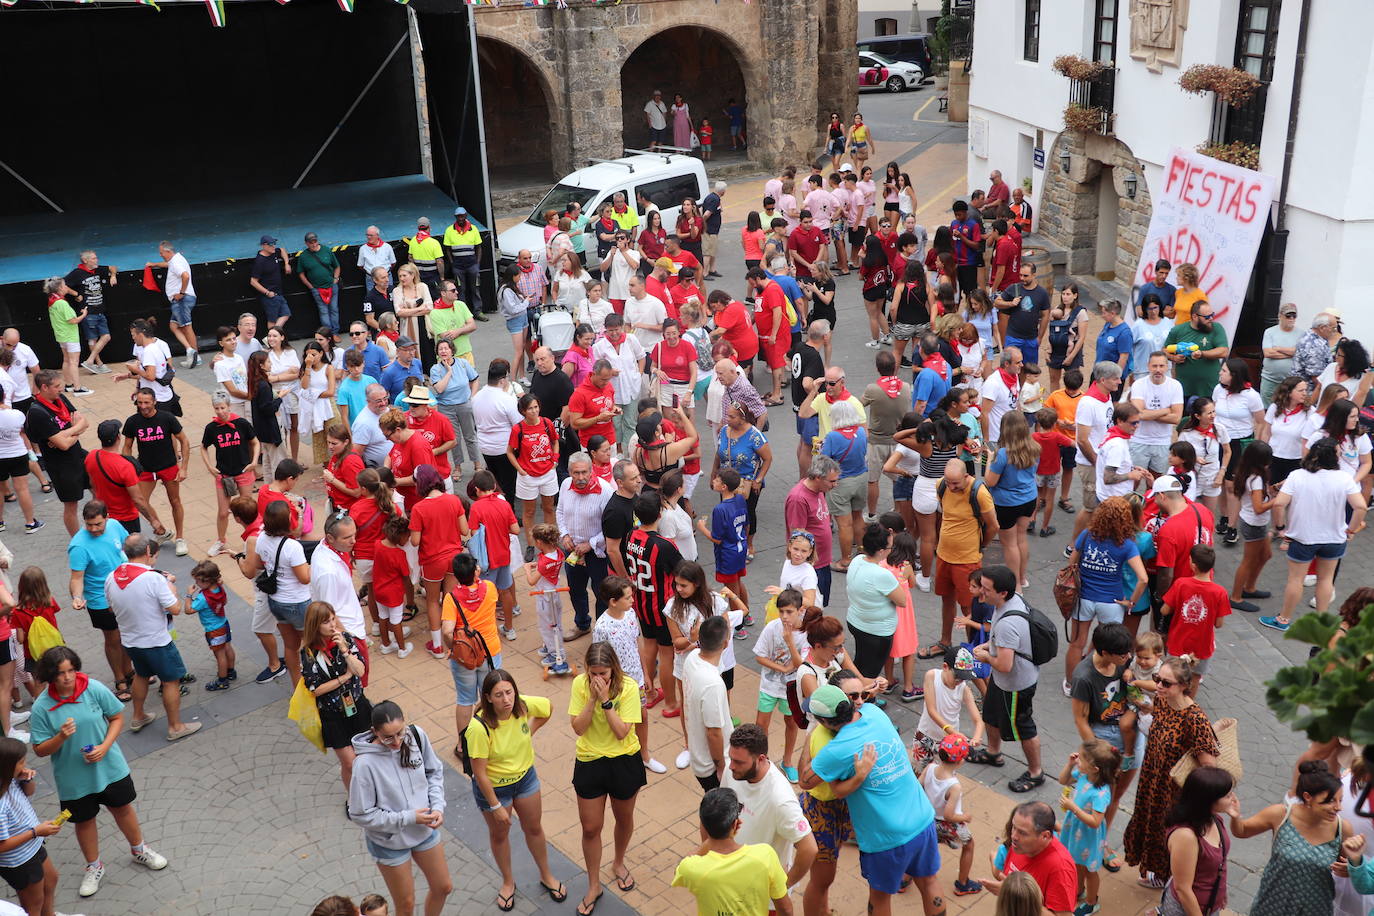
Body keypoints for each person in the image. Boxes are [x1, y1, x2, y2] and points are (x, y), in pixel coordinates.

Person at [30, 645, 167, 901]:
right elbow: (39, 749)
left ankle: (139, 850)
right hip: (73, 777)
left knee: (123, 808)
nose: (68, 677)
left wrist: (105, 747)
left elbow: (116, 717)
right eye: (61, 673)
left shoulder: (92, 688)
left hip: (109, 767)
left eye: (71, 670)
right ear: (50, 675)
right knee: (83, 821)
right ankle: (94, 866)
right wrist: (60, 736)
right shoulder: (41, 707)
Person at [807, 684, 945, 916]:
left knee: (879, 898)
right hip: (922, 818)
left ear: (824, 722)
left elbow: (806, 780)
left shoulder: (837, 749)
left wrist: (812, 734)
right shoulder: (876, 714)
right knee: (929, 882)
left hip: (886, 837)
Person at [461, 669, 565, 912]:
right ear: (488, 697)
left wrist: (530, 732)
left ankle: (546, 875)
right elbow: (480, 773)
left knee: (534, 828)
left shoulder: (521, 706)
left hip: (526, 779)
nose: (506, 700)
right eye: (499, 695)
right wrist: (495, 806)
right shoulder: (478, 727)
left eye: (509, 692)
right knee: (499, 835)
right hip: (496, 789)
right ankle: (508, 882)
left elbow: (548, 708)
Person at [1121, 656, 1220, 888]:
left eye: (1166, 683)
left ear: (1184, 686)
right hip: (1152, 781)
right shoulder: (1163, 701)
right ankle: (1160, 876)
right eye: (1157, 679)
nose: (1158, 686)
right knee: (1152, 829)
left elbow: (1210, 768)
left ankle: (1171, 883)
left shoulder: (1195, 719)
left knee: (1170, 837)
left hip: (1175, 793)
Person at [348, 701, 452, 916]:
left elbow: (434, 772)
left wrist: (438, 807)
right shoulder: (365, 764)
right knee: (405, 904)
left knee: (444, 887)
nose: (396, 742)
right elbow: (360, 814)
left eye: (400, 733)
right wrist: (408, 818)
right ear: (374, 732)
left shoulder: (416, 736)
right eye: (388, 737)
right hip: (389, 841)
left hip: (424, 830)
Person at [569, 641, 645, 915]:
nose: (598, 679)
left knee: (623, 818)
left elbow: (622, 732)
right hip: (590, 760)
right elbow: (578, 728)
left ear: (613, 669)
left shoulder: (628, 688)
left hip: (624, 761)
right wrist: (591, 698)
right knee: (590, 827)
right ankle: (593, 884)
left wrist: (605, 700)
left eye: (604, 673)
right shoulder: (580, 684)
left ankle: (618, 861)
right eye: (594, 673)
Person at [104, 533, 202, 741]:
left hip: (130, 640)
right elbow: (175, 609)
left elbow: (111, 609)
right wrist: (172, 588)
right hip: (157, 641)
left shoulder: (111, 577)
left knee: (141, 674)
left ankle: (138, 716)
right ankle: (175, 726)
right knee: (171, 681)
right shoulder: (153, 579)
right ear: (148, 551)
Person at [1263, 438, 1368, 631]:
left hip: (1303, 537)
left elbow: (1279, 504)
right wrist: (1350, 530)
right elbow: (1361, 507)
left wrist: (1281, 527)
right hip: (1334, 539)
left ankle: (1283, 619)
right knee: (1325, 580)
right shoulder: (1344, 478)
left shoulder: (1297, 476)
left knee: (1295, 579)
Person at [1233, 760, 1355, 916]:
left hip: (1316, 908)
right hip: (1273, 904)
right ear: (1307, 797)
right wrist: (1235, 816)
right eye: (1330, 801)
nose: (1338, 807)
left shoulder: (1342, 828)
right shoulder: (1281, 815)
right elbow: (1242, 831)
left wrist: (1351, 868)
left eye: (1340, 800)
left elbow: (1346, 868)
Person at [968, 565, 1044, 792]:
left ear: (1003, 593)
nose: (981, 591)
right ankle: (993, 753)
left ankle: (1036, 773)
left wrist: (985, 656)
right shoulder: (1009, 601)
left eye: (986, 589)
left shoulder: (1008, 624)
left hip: (1016, 683)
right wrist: (989, 645)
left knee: (1023, 727)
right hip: (1002, 680)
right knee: (990, 714)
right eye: (981, 585)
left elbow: (1004, 664)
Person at [720, 722, 817, 886]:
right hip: (732, 875)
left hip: (762, 890)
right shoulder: (733, 771)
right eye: (731, 758)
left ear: (761, 759)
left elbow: (809, 849)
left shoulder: (781, 799)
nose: (731, 766)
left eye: (739, 762)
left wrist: (783, 886)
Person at [673, 785, 792, 916]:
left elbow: (679, 869)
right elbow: (785, 909)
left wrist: (707, 841)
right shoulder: (765, 856)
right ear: (735, 824)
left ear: (703, 825)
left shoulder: (693, 869)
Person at [66, 502, 136, 698]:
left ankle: (130, 670)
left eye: (98, 524)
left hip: (125, 590)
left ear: (107, 517)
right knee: (113, 639)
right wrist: (77, 597)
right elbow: (77, 577)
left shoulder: (114, 525)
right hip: (100, 598)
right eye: (89, 525)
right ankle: (120, 679)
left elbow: (127, 547)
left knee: (128, 634)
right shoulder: (79, 546)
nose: (94, 529)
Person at [300, 601, 371, 792]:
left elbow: (360, 670)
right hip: (333, 715)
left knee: (367, 756)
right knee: (350, 763)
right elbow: (315, 689)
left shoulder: (345, 639)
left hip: (357, 706)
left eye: (333, 619)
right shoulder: (308, 653)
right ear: (315, 625)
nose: (332, 625)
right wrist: (344, 678)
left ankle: (372, 791)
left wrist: (345, 651)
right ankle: (354, 800)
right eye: (326, 622)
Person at [929, 459, 996, 658]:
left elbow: (994, 525)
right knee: (946, 599)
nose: (951, 487)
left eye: (955, 483)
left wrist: (981, 545)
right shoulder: (941, 485)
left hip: (967, 559)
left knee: (969, 607)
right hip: (943, 556)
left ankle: (973, 650)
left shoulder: (980, 493)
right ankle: (945, 641)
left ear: (966, 476)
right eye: (948, 483)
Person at [0, 735, 67, 915]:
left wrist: (26, 779)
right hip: (18, 860)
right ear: (7, 767)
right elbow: (1, 846)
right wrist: (35, 832)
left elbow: (29, 793)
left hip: (32, 846)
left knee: (51, 879)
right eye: (21, 762)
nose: (25, 765)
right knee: (33, 903)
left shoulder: (10, 781)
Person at [122, 388, 190, 557]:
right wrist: (128, 467)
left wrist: (183, 467)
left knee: (175, 501)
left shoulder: (167, 418)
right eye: (139, 403)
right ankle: (162, 531)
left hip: (168, 467)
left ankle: (180, 538)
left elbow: (184, 440)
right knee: (140, 502)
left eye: (146, 402)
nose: (143, 406)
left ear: (154, 402)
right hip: (145, 468)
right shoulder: (132, 421)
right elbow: (127, 446)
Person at [981, 801, 1079, 915]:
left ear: (1045, 836)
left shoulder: (1061, 868)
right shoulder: (1020, 846)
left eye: (1022, 833)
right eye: (1014, 827)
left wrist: (1014, 894)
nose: (1014, 836)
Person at [25, 369, 90, 536]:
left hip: (78, 454)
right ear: (44, 387)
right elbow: (63, 445)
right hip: (61, 465)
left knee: (98, 488)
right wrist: (75, 430)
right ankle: (77, 541)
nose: (61, 389)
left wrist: (68, 433)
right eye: (57, 386)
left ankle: (101, 528)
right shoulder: (37, 412)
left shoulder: (60, 398)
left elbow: (84, 422)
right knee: (71, 504)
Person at [919, 733, 982, 896]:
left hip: (927, 820)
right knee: (969, 845)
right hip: (947, 825)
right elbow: (949, 815)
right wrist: (965, 817)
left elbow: (918, 788)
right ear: (960, 761)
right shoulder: (954, 786)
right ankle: (963, 884)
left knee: (920, 848)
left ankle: (904, 880)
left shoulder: (930, 768)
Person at [986, 412, 1040, 588]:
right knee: (1021, 538)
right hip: (1029, 498)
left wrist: (989, 461)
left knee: (1009, 544)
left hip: (1006, 502)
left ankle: (1015, 584)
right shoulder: (1034, 447)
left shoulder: (1002, 454)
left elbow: (990, 481)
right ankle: (1022, 578)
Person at [681, 616, 731, 790]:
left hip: (698, 755)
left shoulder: (692, 657)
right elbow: (713, 733)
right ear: (725, 644)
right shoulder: (713, 684)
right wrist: (722, 767)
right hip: (710, 766)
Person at [471, 359, 522, 503]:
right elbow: (518, 425)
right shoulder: (506, 399)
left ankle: (494, 507)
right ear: (502, 380)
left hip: (485, 447)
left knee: (494, 482)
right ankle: (508, 511)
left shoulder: (476, 397)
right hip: (504, 448)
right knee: (508, 483)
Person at [183, 560, 235, 691]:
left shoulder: (202, 598)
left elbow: (188, 610)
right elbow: (225, 602)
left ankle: (222, 681)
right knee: (228, 647)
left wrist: (189, 595)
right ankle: (231, 671)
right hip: (224, 623)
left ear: (207, 581)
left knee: (220, 655)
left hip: (214, 630)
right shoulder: (219, 587)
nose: (196, 584)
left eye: (198, 581)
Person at [1130, 351, 1185, 475]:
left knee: (1156, 481)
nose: (1158, 370)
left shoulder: (1175, 386)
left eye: (1161, 366)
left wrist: (1147, 413)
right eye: (1154, 366)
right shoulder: (1139, 384)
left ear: (1167, 366)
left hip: (1162, 441)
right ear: (1148, 366)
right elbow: (1139, 415)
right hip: (1139, 440)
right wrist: (1166, 410)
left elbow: (1176, 418)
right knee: (1134, 480)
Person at [1165, 301, 1229, 402]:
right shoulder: (1177, 330)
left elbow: (1224, 351)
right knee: (1184, 417)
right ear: (1195, 317)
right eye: (1207, 317)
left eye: (1212, 315)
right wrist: (1173, 358)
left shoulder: (1216, 328)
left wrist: (1202, 354)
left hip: (1209, 389)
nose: (1211, 319)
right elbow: (1164, 350)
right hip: (1183, 389)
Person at [249, 234, 292, 331]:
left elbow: (282, 250)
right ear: (264, 246)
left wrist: (286, 263)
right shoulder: (260, 261)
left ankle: (273, 336)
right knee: (272, 320)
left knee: (286, 314)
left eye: (274, 244)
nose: (273, 247)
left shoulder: (274, 253)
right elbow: (253, 281)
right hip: (270, 295)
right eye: (271, 245)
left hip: (279, 293)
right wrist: (267, 293)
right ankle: (272, 339)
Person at [1261, 304, 1302, 403]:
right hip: (1270, 379)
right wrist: (1290, 353)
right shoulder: (1270, 332)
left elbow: (1298, 352)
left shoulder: (1301, 333)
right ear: (1280, 316)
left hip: (1291, 381)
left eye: (1294, 316)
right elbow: (1268, 353)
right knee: (1266, 407)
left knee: (1287, 406)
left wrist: (1278, 348)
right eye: (1288, 316)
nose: (1291, 319)